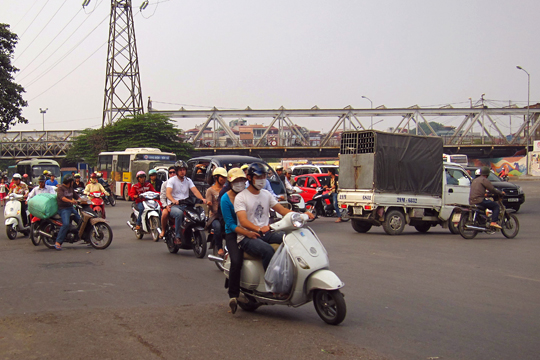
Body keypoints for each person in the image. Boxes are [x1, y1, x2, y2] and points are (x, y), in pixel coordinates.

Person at [235, 163, 314, 271]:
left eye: (263, 176)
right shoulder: (241, 197)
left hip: (265, 233)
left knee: (291, 239)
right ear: (249, 177)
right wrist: (258, 228)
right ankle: (272, 282)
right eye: (258, 177)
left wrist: (301, 214)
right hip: (247, 236)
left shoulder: (266, 194)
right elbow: (243, 221)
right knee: (267, 250)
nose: (262, 180)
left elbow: (282, 210)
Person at [221, 167, 261, 313]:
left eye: (242, 181)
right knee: (236, 260)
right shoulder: (225, 199)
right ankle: (233, 295)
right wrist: (247, 233)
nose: (239, 184)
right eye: (236, 181)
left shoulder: (248, 195)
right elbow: (230, 224)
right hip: (233, 234)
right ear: (230, 182)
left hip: (252, 230)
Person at [166, 160, 208, 245]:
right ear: (177, 171)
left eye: (184, 170)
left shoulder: (188, 180)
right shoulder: (172, 181)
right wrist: (173, 200)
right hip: (175, 206)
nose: (182, 172)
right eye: (180, 170)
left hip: (187, 204)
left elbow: (195, 191)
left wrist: (203, 199)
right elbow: (168, 193)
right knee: (179, 214)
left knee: (196, 213)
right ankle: (177, 236)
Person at [206, 167, 227, 257]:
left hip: (225, 215)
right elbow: (209, 204)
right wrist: (210, 204)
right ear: (216, 177)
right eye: (222, 177)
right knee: (217, 227)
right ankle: (219, 248)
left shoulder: (227, 189)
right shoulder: (210, 190)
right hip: (215, 217)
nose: (224, 179)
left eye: (225, 177)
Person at [55, 176, 80, 250]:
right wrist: (71, 201)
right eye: (72, 181)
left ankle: (87, 238)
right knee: (65, 224)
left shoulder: (71, 188)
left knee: (81, 221)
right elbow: (62, 198)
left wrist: (83, 200)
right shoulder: (61, 188)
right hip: (63, 209)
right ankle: (58, 242)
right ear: (69, 182)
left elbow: (77, 196)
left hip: (71, 208)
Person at [159, 166, 176, 238]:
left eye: (174, 172)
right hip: (169, 205)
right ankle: (163, 230)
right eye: (170, 173)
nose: (172, 174)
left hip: (180, 205)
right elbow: (162, 197)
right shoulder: (165, 184)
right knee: (164, 214)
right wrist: (166, 206)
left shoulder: (181, 182)